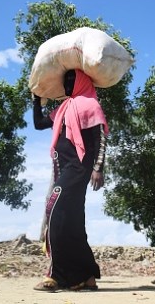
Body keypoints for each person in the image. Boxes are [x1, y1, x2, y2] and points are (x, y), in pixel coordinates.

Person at [32, 69, 108, 292]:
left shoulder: (90, 105)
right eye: (65, 80)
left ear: (81, 82)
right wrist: (36, 100)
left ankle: (57, 276)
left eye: (72, 80)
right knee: (73, 223)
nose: (67, 84)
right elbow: (38, 123)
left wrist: (98, 168)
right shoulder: (64, 108)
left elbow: (101, 138)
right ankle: (87, 276)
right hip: (62, 168)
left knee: (53, 210)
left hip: (78, 168)